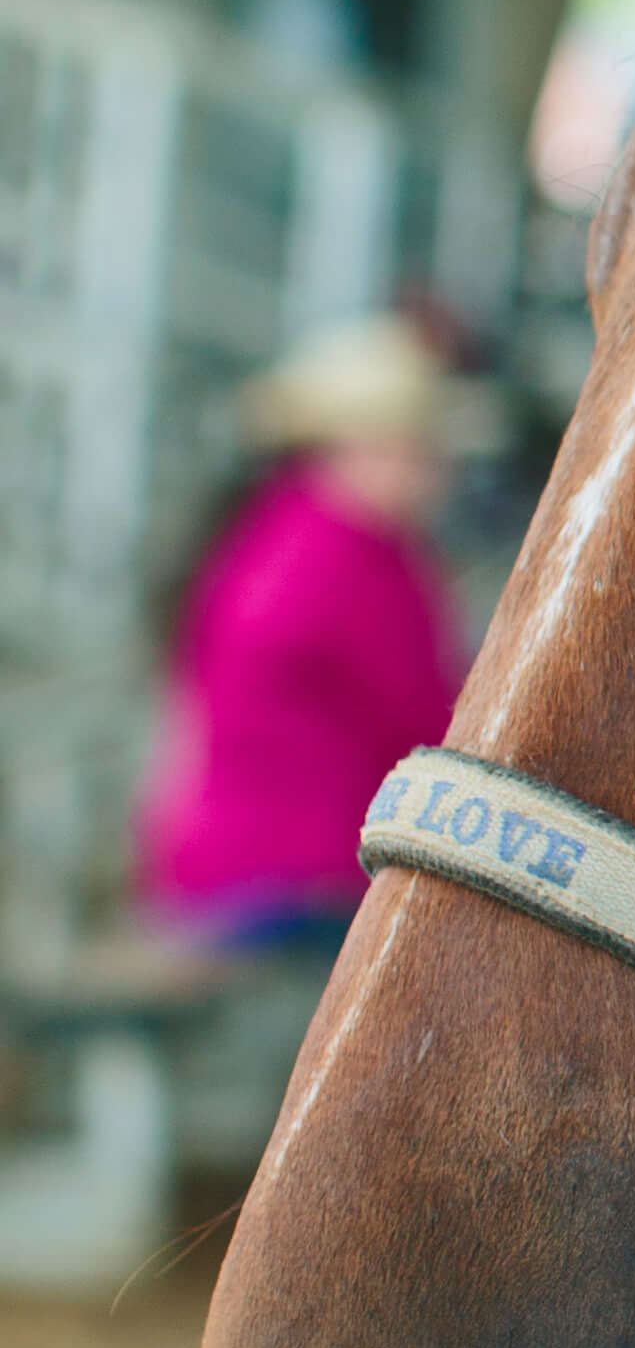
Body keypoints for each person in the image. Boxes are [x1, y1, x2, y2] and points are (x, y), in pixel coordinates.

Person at [142, 311, 478, 948]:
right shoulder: (354, 563)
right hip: (297, 883)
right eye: (423, 447)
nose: (438, 470)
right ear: (363, 446)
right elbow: (431, 731)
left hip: (213, 874)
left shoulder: (273, 529)